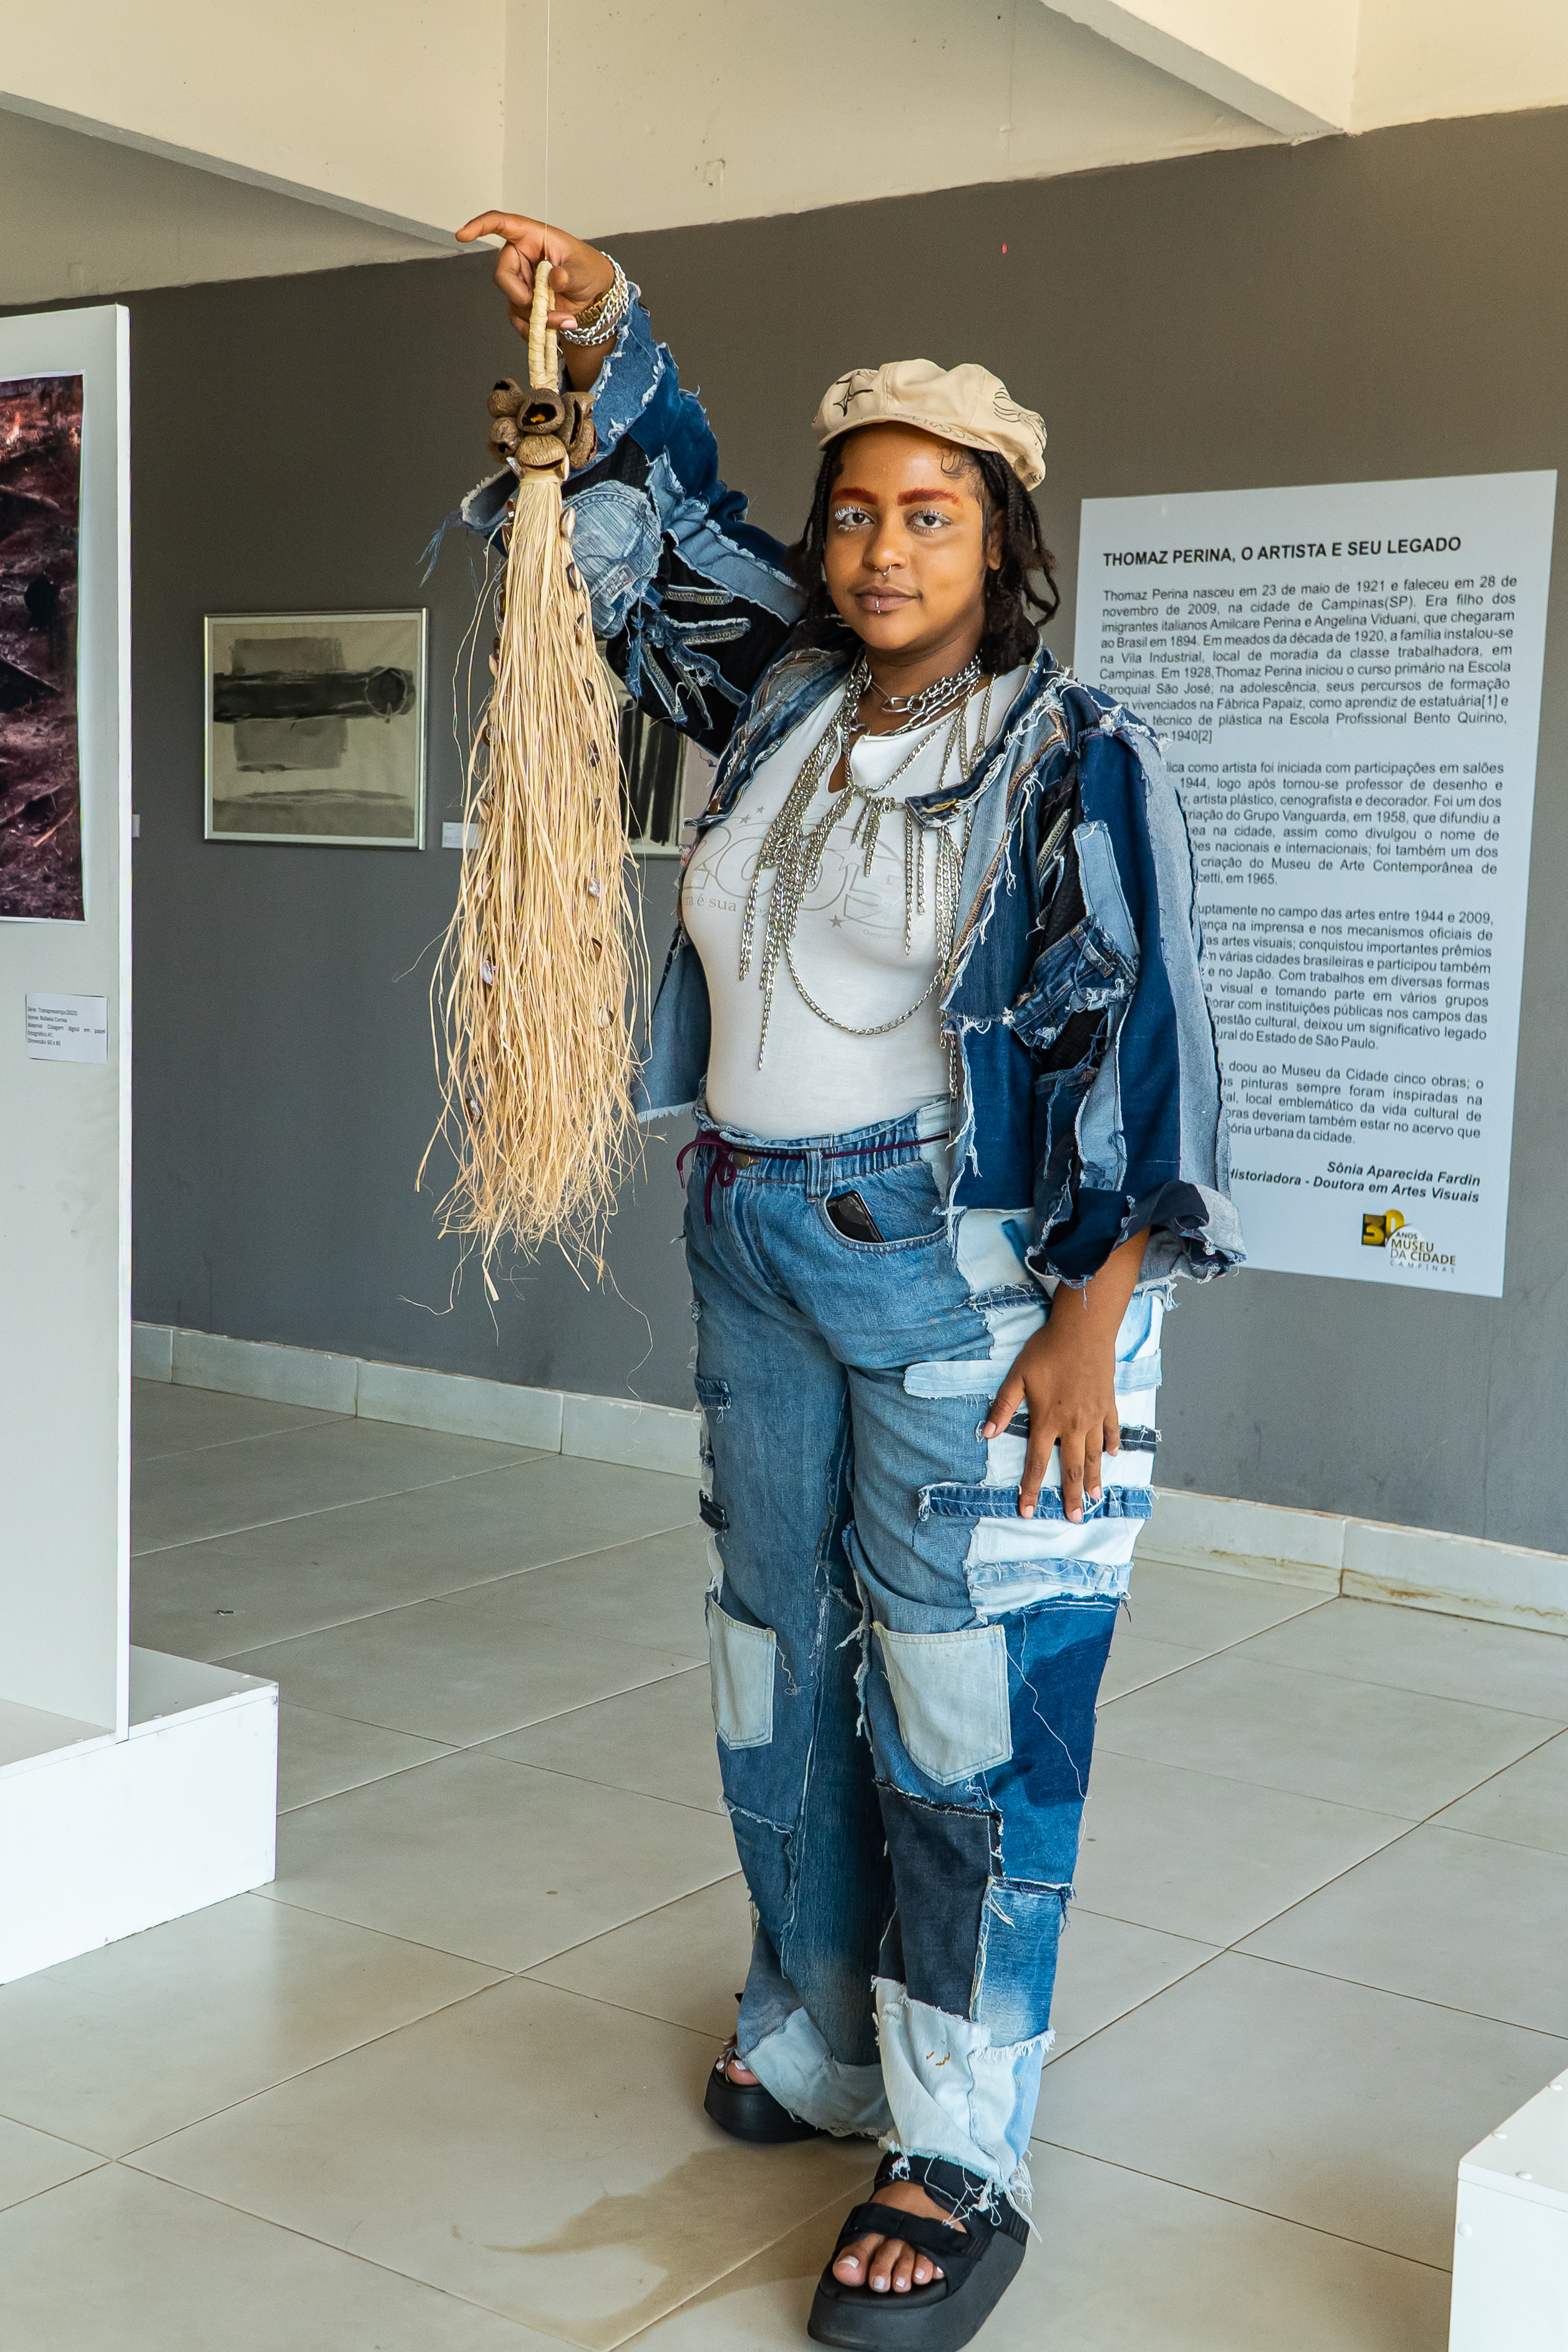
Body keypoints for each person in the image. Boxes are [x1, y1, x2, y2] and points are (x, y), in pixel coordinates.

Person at [454, 210, 1243, 2351]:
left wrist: (1095, 1309)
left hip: (955, 1279)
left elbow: (1148, 1035)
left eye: (930, 512)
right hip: (749, 1232)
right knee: (766, 1653)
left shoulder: (1068, 747)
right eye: (857, 514)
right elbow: (655, 522)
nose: (882, 547)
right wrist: (605, 328)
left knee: (960, 1690)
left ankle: (958, 2131)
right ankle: (813, 2031)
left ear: (999, 536)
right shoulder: (781, 694)